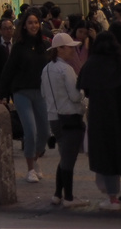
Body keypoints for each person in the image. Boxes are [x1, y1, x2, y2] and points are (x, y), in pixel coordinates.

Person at [0, 8, 51, 183]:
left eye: (36, 22)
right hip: (21, 92)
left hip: (40, 92)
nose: (34, 25)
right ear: (24, 25)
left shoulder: (44, 45)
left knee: (44, 131)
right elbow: (8, 71)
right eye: (30, 22)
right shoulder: (19, 47)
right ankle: (30, 168)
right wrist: (2, 95)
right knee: (30, 130)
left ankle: (36, 159)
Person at [42, 31, 87, 208]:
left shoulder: (46, 69)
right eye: (70, 47)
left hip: (53, 118)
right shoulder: (65, 69)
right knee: (69, 158)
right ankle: (68, 197)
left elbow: (44, 93)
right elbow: (75, 96)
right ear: (60, 49)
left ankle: (57, 194)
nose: (72, 51)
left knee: (64, 156)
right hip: (69, 117)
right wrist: (84, 95)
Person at [79, 29, 121, 210]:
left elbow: (82, 86)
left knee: (107, 158)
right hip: (120, 116)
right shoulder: (120, 62)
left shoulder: (92, 64)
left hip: (101, 119)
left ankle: (113, 199)